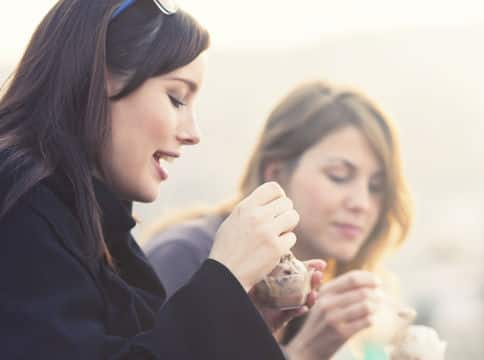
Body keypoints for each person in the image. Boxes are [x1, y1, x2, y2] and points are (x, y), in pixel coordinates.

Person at [0, 1, 323, 358]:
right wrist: (224, 277)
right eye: (176, 98)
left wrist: (242, 316)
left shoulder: (92, 221)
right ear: (99, 77)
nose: (193, 133)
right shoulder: (19, 206)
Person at [144, 81, 413, 359]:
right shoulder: (186, 258)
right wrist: (304, 352)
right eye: (339, 175)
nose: (362, 203)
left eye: (376, 186)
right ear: (275, 173)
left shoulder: (323, 297)